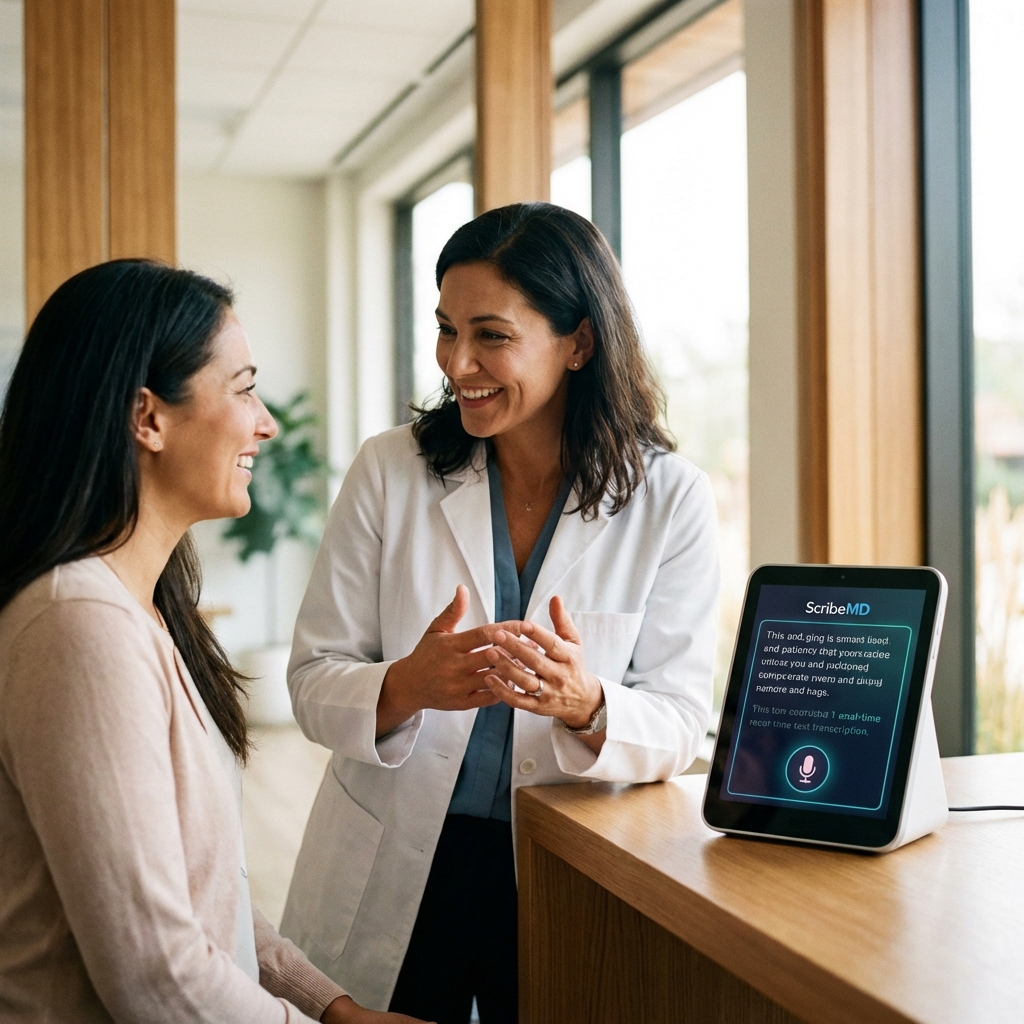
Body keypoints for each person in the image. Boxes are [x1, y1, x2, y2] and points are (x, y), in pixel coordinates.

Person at [281, 203, 720, 1023]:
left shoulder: (671, 499)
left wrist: (589, 705)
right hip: (398, 857)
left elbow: (684, 721)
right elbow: (310, 679)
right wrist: (406, 684)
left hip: (559, 863)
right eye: (447, 330)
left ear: (579, 342)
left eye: (492, 335)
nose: (458, 363)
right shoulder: (391, 470)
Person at [0, 260, 428, 1024]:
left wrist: (330, 1007)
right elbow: (156, 975)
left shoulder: (147, 612)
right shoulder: (78, 625)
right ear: (148, 418)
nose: (265, 421)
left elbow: (207, 897)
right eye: (243, 388)